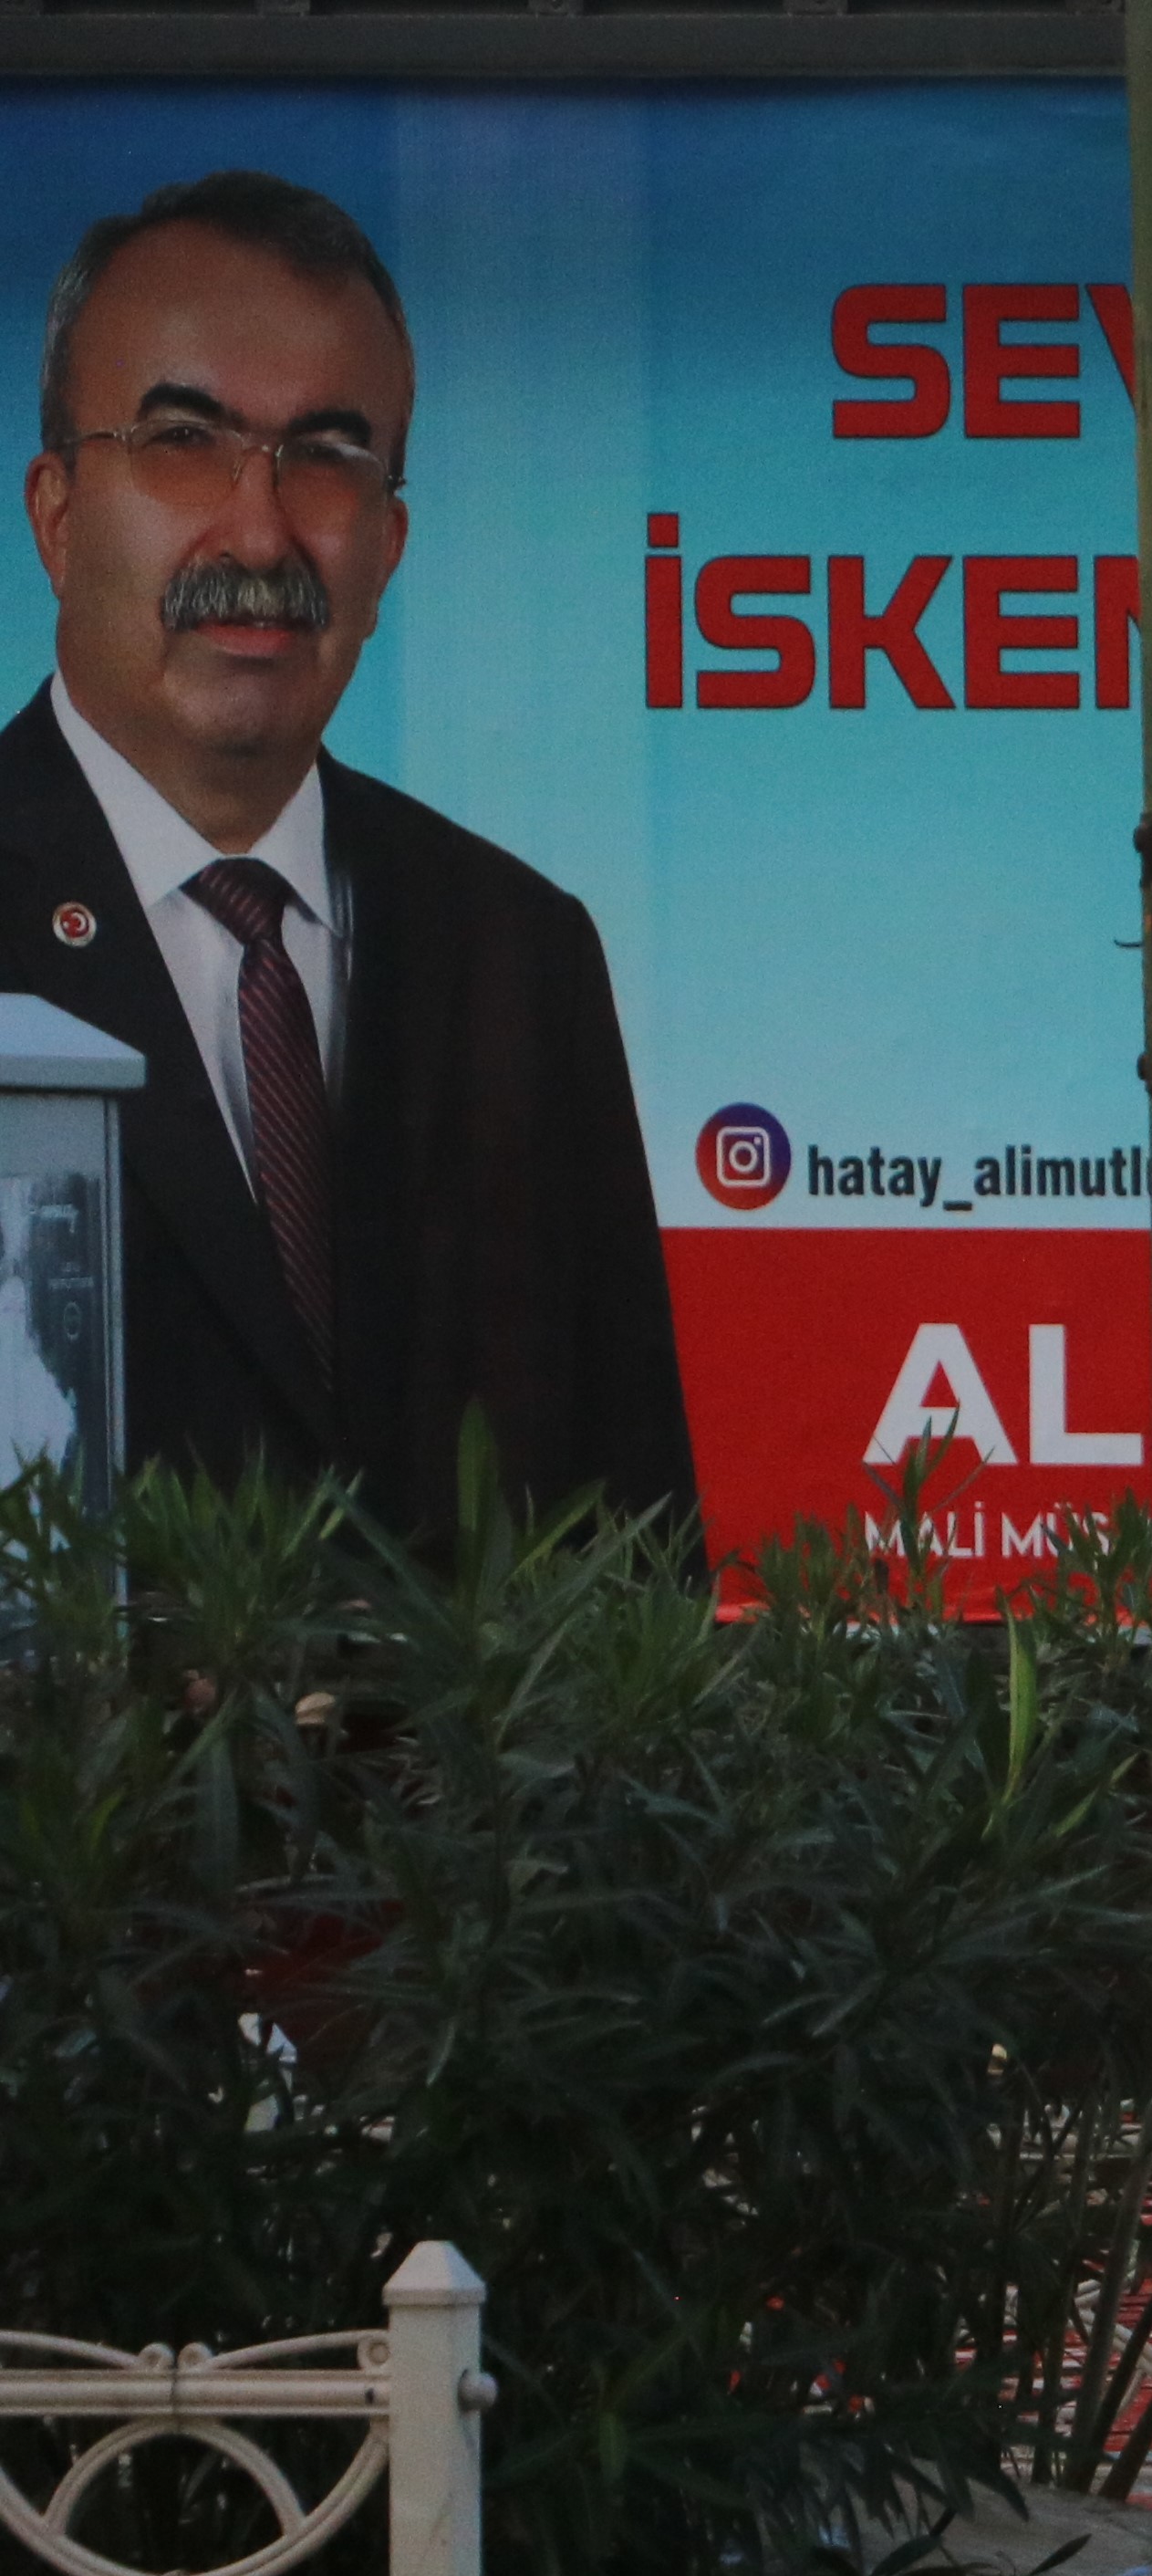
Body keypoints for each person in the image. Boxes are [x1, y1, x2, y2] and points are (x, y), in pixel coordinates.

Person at [9, 169, 694, 1546]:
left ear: (387, 542)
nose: (260, 532)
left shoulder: (517, 948)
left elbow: (632, 1550)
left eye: (327, 455)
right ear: (60, 512)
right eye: (186, 439)